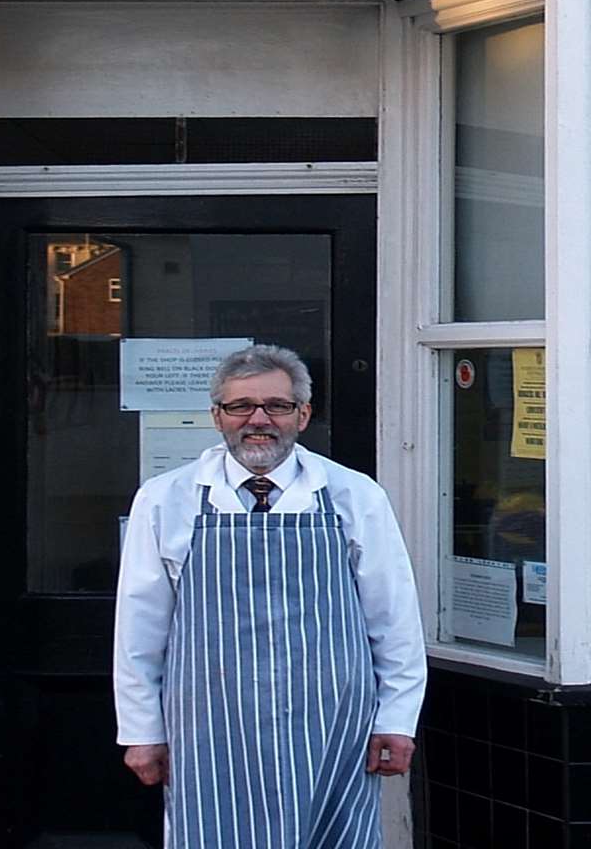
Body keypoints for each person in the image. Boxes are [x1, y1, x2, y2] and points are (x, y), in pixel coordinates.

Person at [112, 343, 427, 848]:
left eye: (276, 406)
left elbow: (393, 618)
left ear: (302, 414)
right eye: (240, 406)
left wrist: (396, 718)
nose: (258, 420)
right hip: (210, 731)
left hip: (332, 729)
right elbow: (139, 630)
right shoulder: (166, 499)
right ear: (217, 416)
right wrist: (142, 731)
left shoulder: (354, 495)